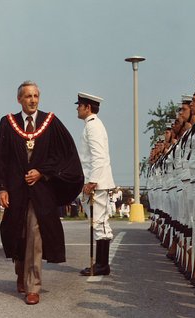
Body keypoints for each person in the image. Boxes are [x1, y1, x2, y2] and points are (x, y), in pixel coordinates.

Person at [0, 81, 83, 305]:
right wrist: (0, 188)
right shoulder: (7, 123)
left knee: (35, 233)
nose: (32, 100)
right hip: (15, 190)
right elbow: (0, 159)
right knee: (18, 232)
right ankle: (20, 271)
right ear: (19, 100)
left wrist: (42, 172)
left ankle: (33, 285)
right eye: (28, 96)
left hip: (41, 192)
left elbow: (64, 154)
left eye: (35, 96)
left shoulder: (50, 122)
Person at [76, 92, 115, 276]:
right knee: (98, 221)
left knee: (99, 222)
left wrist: (92, 181)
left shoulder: (93, 127)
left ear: (88, 108)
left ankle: (102, 264)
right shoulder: (92, 125)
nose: (77, 108)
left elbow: (98, 156)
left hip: (97, 183)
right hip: (97, 181)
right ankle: (101, 263)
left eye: (79, 105)